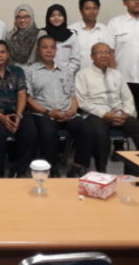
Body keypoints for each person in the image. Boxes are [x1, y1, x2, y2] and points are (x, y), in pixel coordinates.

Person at [75, 43, 139, 172]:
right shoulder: (83, 74)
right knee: (101, 135)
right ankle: (102, 171)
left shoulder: (117, 74)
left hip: (120, 114)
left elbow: (127, 98)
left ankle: (137, 172)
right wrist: (105, 114)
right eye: (99, 52)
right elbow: (82, 102)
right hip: (96, 114)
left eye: (107, 52)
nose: (104, 55)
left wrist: (126, 114)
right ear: (92, 56)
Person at [26, 35, 93, 178]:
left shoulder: (66, 70)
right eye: (44, 47)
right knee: (47, 130)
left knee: (86, 129)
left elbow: (73, 94)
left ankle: (78, 166)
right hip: (43, 114)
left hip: (67, 113)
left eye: (52, 47)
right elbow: (28, 98)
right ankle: (52, 167)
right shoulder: (30, 71)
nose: (49, 50)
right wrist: (48, 112)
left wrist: (72, 111)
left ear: (56, 50)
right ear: (38, 50)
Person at [0, 40, 38, 177]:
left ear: (8, 54)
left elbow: (22, 94)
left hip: (16, 110)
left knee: (31, 133)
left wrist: (18, 115)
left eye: (2, 52)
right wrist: (2, 118)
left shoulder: (17, 71)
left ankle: (18, 170)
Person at [69, 0, 115, 69]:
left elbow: (111, 57)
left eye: (95, 8)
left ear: (98, 10)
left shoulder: (105, 30)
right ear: (81, 10)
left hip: (99, 77)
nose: (92, 12)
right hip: (76, 77)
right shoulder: (71, 30)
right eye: (87, 8)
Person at [43, 4, 80, 76]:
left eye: (60, 15)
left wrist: (65, 73)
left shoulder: (72, 35)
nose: (56, 18)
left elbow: (75, 59)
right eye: (52, 15)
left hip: (65, 75)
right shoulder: (42, 34)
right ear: (48, 18)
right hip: (44, 74)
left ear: (64, 17)